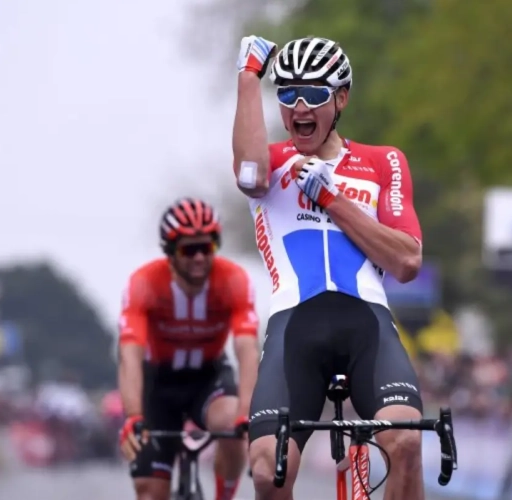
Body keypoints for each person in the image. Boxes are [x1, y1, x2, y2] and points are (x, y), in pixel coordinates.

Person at [232, 36, 426, 500]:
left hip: (367, 326)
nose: (300, 105)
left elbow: (406, 261)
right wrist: (248, 78)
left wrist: (332, 200)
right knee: (266, 470)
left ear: (341, 99)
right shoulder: (274, 163)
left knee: (406, 442)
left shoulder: (384, 162)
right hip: (294, 328)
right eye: (287, 93)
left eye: (314, 94)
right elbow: (247, 175)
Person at [117, 197, 259, 500]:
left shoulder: (233, 280)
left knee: (233, 427)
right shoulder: (144, 284)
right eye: (189, 249)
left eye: (206, 248)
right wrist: (133, 415)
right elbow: (129, 354)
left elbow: (247, 348)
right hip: (158, 383)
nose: (199, 258)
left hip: (208, 377)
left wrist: (246, 413)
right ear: (170, 252)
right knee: (150, 492)